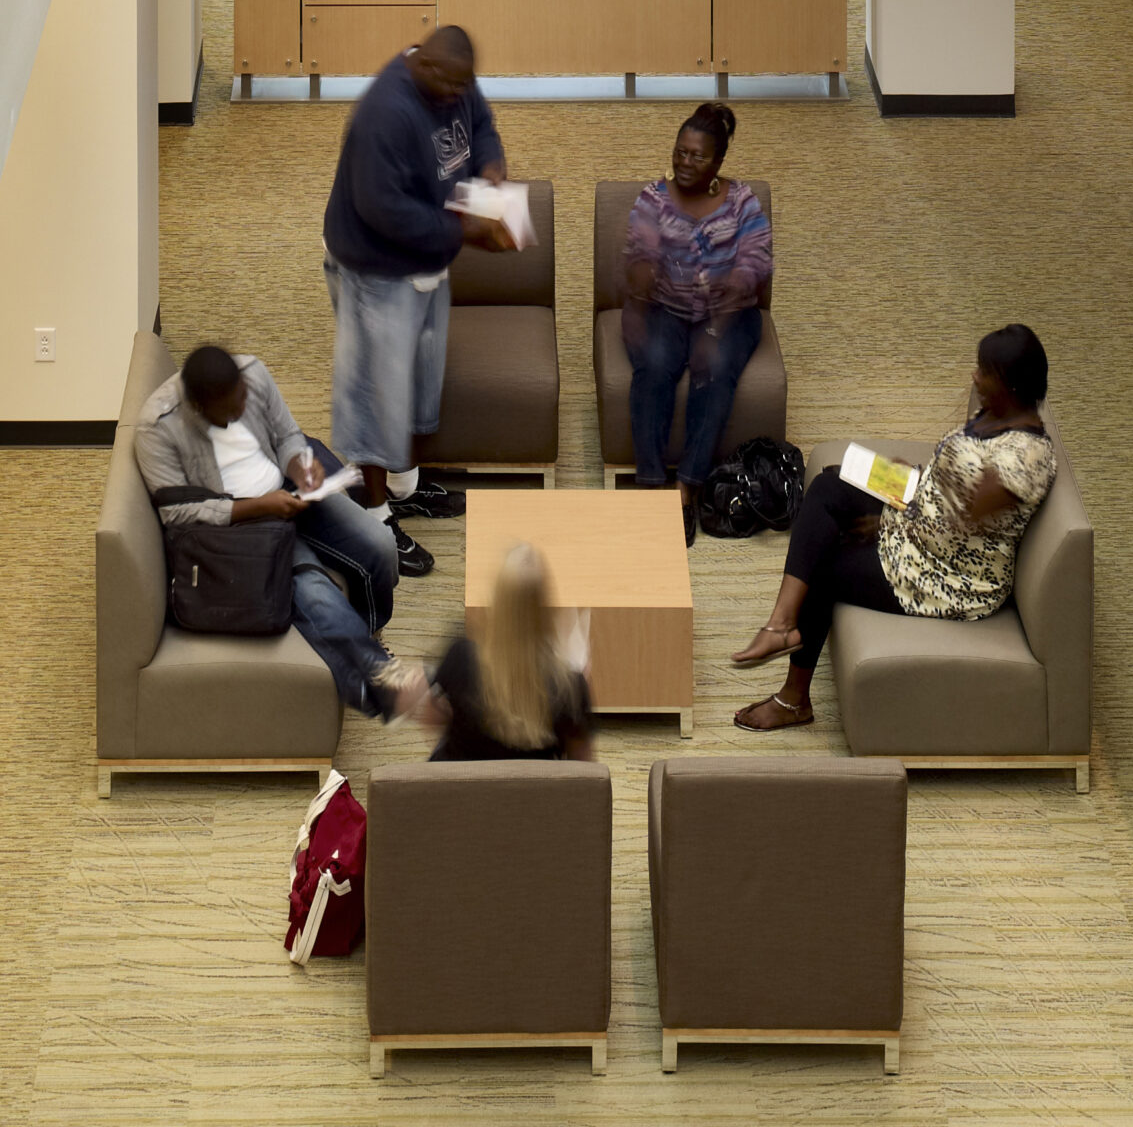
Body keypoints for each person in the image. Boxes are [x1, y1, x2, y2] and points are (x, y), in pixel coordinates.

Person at [729, 324, 1057, 736]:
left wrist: (896, 514)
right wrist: (910, 479)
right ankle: (780, 624)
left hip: (946, 577)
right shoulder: (999, 415)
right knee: (830, 484)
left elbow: (973, 509)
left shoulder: (1027, 457)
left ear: (1009, 384)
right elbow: (949, 491)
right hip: (921, 523)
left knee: (825, 565)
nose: (974, 377)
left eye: (984, 371)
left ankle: (794, 699)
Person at [320, 21, 516, 572]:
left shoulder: (453, 78)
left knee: (417, 380)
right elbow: (386, 213)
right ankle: (376, 515)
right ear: (424, 66)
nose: (460, 96)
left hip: (426, 265)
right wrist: (467, 233)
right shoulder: (383, 114)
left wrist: (492, 169)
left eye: (465, 86)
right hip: (374, 270)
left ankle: (406, 486)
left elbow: (483, 126)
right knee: (374, 394)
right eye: (452, 87)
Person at [134, 340, 409, 722]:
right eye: (229, 412)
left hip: (290, 493)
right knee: (316, 595)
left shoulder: (252, 374)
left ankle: (370, 632)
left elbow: (287, 435)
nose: (241, 410)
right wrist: (259, 507)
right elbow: (179, 514)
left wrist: (300, 465)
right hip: (243, 531)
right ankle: (382, 685)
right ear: (198, 407)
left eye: (242, 399)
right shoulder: (157, 429)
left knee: (380, 544)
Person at [620, 101, 775, 534]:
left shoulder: (742, 200)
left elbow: (756, 263)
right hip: (666, 307)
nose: (686, 163)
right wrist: (639, 284)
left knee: (715, 372)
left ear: (718, 161)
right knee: (652, 370)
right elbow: (639, 252)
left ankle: (686, 489)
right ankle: (651, 486)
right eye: (680, 152)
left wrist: (720, 323)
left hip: (730, 313)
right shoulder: (653, 197)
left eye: (698, 155)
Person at [406, 538, 598, 762]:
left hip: (461, 793)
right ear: (543, 608)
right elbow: (584, 769)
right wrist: (577, 689)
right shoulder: (568, 685)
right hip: (533, 796)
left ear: (497, 602)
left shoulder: (460, 657)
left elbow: (430, 720)